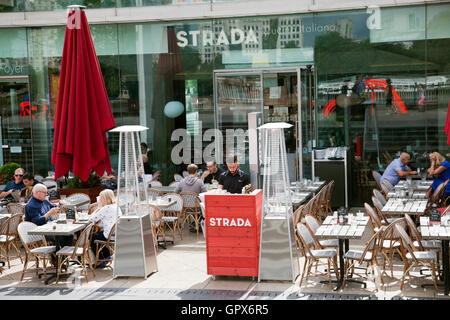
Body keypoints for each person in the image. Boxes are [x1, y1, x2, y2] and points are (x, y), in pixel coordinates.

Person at [88, 189, 122, 267]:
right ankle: (107, 256)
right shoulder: (116, 206)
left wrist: (98, 208)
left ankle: (101, 259)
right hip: (115, 233)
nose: (99, 199)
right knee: (97, 234)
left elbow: (91, 219)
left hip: (109, 235)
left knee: (92, 236)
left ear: (106, 198)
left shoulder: (106, 208)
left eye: (101, 198)